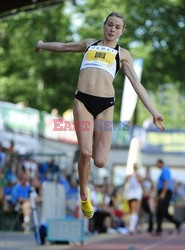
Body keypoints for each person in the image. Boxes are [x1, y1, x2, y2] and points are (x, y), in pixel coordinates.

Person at [35, 12, 164, 219]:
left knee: (101, 161)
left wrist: (154, 112)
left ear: (122, 31)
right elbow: (62, 47)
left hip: (105, 106)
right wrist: (42, 43)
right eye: (110, 25)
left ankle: (95, 138)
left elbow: (137, 85)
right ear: (104, 25)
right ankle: (83, 192)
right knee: (85, 153)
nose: (112, 29)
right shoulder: (89, 44)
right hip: (82, 101)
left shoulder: (122, 54)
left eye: (117, 27)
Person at [155, 159, 181, 234]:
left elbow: (166, 181)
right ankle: (159, 228)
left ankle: (160, 229)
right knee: (161, 211)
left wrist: (163, 193)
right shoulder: (163, 170)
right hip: (164, 192)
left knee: (161, 210)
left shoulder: (165, 170)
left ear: (160, 163)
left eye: (157, 164)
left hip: (165, 192)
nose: (156, 165)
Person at [123, 164, 143, 234]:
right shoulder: (131, 175)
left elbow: (141, 182)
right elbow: (125, 181)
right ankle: (131, 227)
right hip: (132, 194)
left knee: (135, 211)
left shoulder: (138, 175)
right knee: (133, 210)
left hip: (136, 194)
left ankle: (132, 227)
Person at [141, 166, 155, 233]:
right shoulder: (143, 180)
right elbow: (141, 188)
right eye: (146, 172)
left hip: (149, 198)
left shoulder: (152, 181)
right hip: (143, 197)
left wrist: (149, 193)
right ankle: (141, 226)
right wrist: (144, 193)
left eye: (148, 173)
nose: (147, 174)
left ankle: (151, 227)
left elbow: (153, 189)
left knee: (151, 212)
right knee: (142, 213)